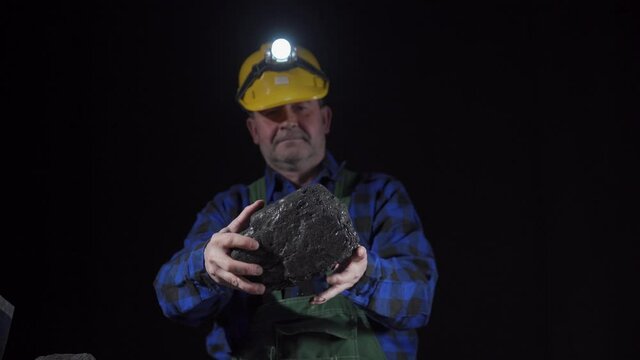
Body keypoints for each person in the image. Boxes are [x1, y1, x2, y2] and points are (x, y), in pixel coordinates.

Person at [154, 38, 438, 359]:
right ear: (253, 130)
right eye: (273, 112)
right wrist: (206, 267)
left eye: (301, 107)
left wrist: (365, 274)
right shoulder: (229, 210)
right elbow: (171, 300)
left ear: (325, 119)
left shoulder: (380, 195)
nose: (289, 120)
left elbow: (419, 302)